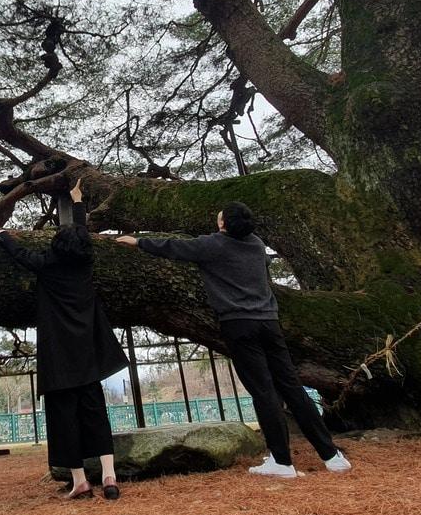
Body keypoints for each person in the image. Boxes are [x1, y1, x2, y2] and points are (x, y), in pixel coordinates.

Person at [116, 201, 350, 479]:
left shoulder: (215, 245)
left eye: (219, 218)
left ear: (224, 224)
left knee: (264, 392)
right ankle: (331, 456)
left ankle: (282, 461)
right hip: (269, 322)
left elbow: (175, 248)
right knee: (292, 388)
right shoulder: (257, 245)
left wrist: (137, 242)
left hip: (238, 324)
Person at [0, 180, 129, 499]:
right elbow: (81, 235)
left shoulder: (46, 265)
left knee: (65, 419)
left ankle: (79, 480)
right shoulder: (85, 263)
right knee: (96, 414)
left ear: (56, 247)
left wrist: (2, 234)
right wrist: (77, 202)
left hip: (59, 357)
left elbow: (21, 255)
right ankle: (109, 476)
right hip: (89, 355)